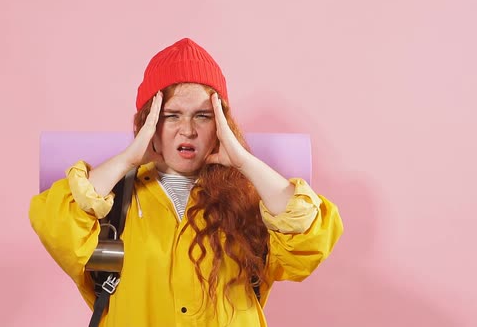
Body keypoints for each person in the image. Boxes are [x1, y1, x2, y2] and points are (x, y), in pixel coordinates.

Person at [29, 37, 343, 327]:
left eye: (203, 116)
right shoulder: (114, 198)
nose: (188, 130)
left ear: (222, 124)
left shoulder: (252, 199)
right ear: (149, 121)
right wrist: (127, 159)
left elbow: (309, 235)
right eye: (171, 115)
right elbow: (55, 223)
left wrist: (245, 162)